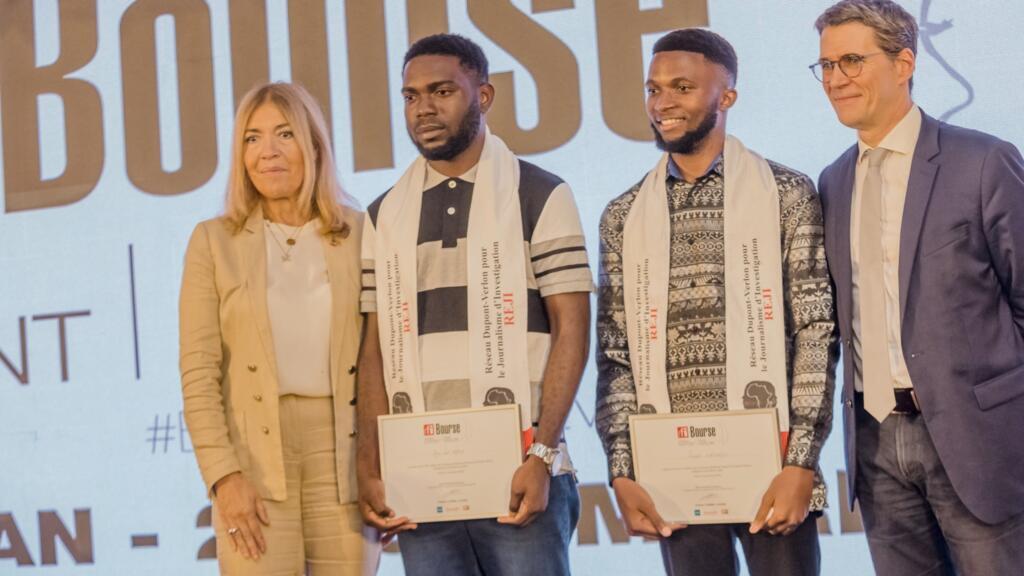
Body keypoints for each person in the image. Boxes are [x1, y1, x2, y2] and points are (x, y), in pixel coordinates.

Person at [595, 28, 838, 576]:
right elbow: (615, 354)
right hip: (672, 475)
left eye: (682, 87)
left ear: (726, 95)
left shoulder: (787, 194)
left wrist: (801, 461)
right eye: (653, 89)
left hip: (773, 466)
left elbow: (817, 332)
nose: (663, 103)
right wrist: (622, 470)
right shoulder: (623, 215)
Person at [355, 33, 592, 576]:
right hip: (422, 481)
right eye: (411, 96)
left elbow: (572, 330)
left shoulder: (540, 193)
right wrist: (370, 465)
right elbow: (373, 353)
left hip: (520, 472)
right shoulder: (382, 215)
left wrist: (542, 455)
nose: (424, 108)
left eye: (441, 91)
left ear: (483, 96)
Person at [813, 1, 1024, 573]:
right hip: (874, 444)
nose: (835, 79)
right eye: (826, 65)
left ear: (904, 63)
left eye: (852, 61)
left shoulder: (982, 161)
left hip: (976, 440)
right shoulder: (833, 181)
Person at [179, 82, 373, 575]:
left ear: (314, 146)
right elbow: (198, 374)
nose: (267, 151)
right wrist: (223, 477)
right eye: (252, 138)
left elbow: (386, 361)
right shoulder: (212, 242)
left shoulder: (361, 233)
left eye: (284, 134)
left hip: (346, 457)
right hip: (253, 462)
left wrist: (384, 469)